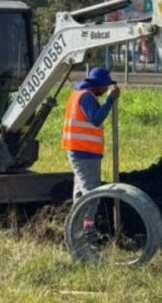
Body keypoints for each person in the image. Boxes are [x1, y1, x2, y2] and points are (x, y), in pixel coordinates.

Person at [62, 67, 120, 231]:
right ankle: (87, 231)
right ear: (98, 85)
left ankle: (76, 227)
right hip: (84, 152)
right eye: (104, 87)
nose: (105, 90)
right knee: (91, 193)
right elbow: (95, 119)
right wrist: (109, 101)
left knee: (81, 192)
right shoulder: (86, 97)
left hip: (82, 150)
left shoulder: (81, 94)